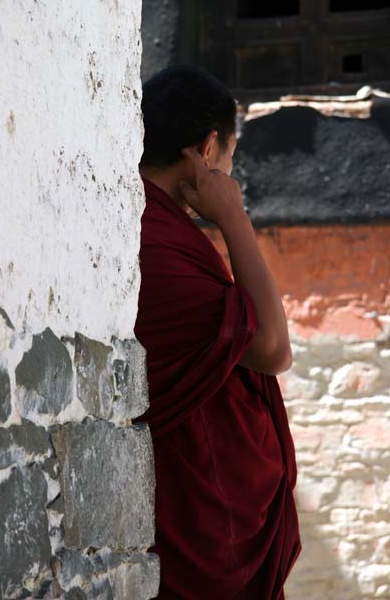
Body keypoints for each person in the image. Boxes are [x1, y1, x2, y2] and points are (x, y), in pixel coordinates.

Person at [132, 65, 301, 599]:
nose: (229, 170)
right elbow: (271, 349)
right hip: (208, 517)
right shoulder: (148, 232)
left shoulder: (161, 225)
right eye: (230, 156)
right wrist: (234, 218)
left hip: (208, 497)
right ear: (208, 150)